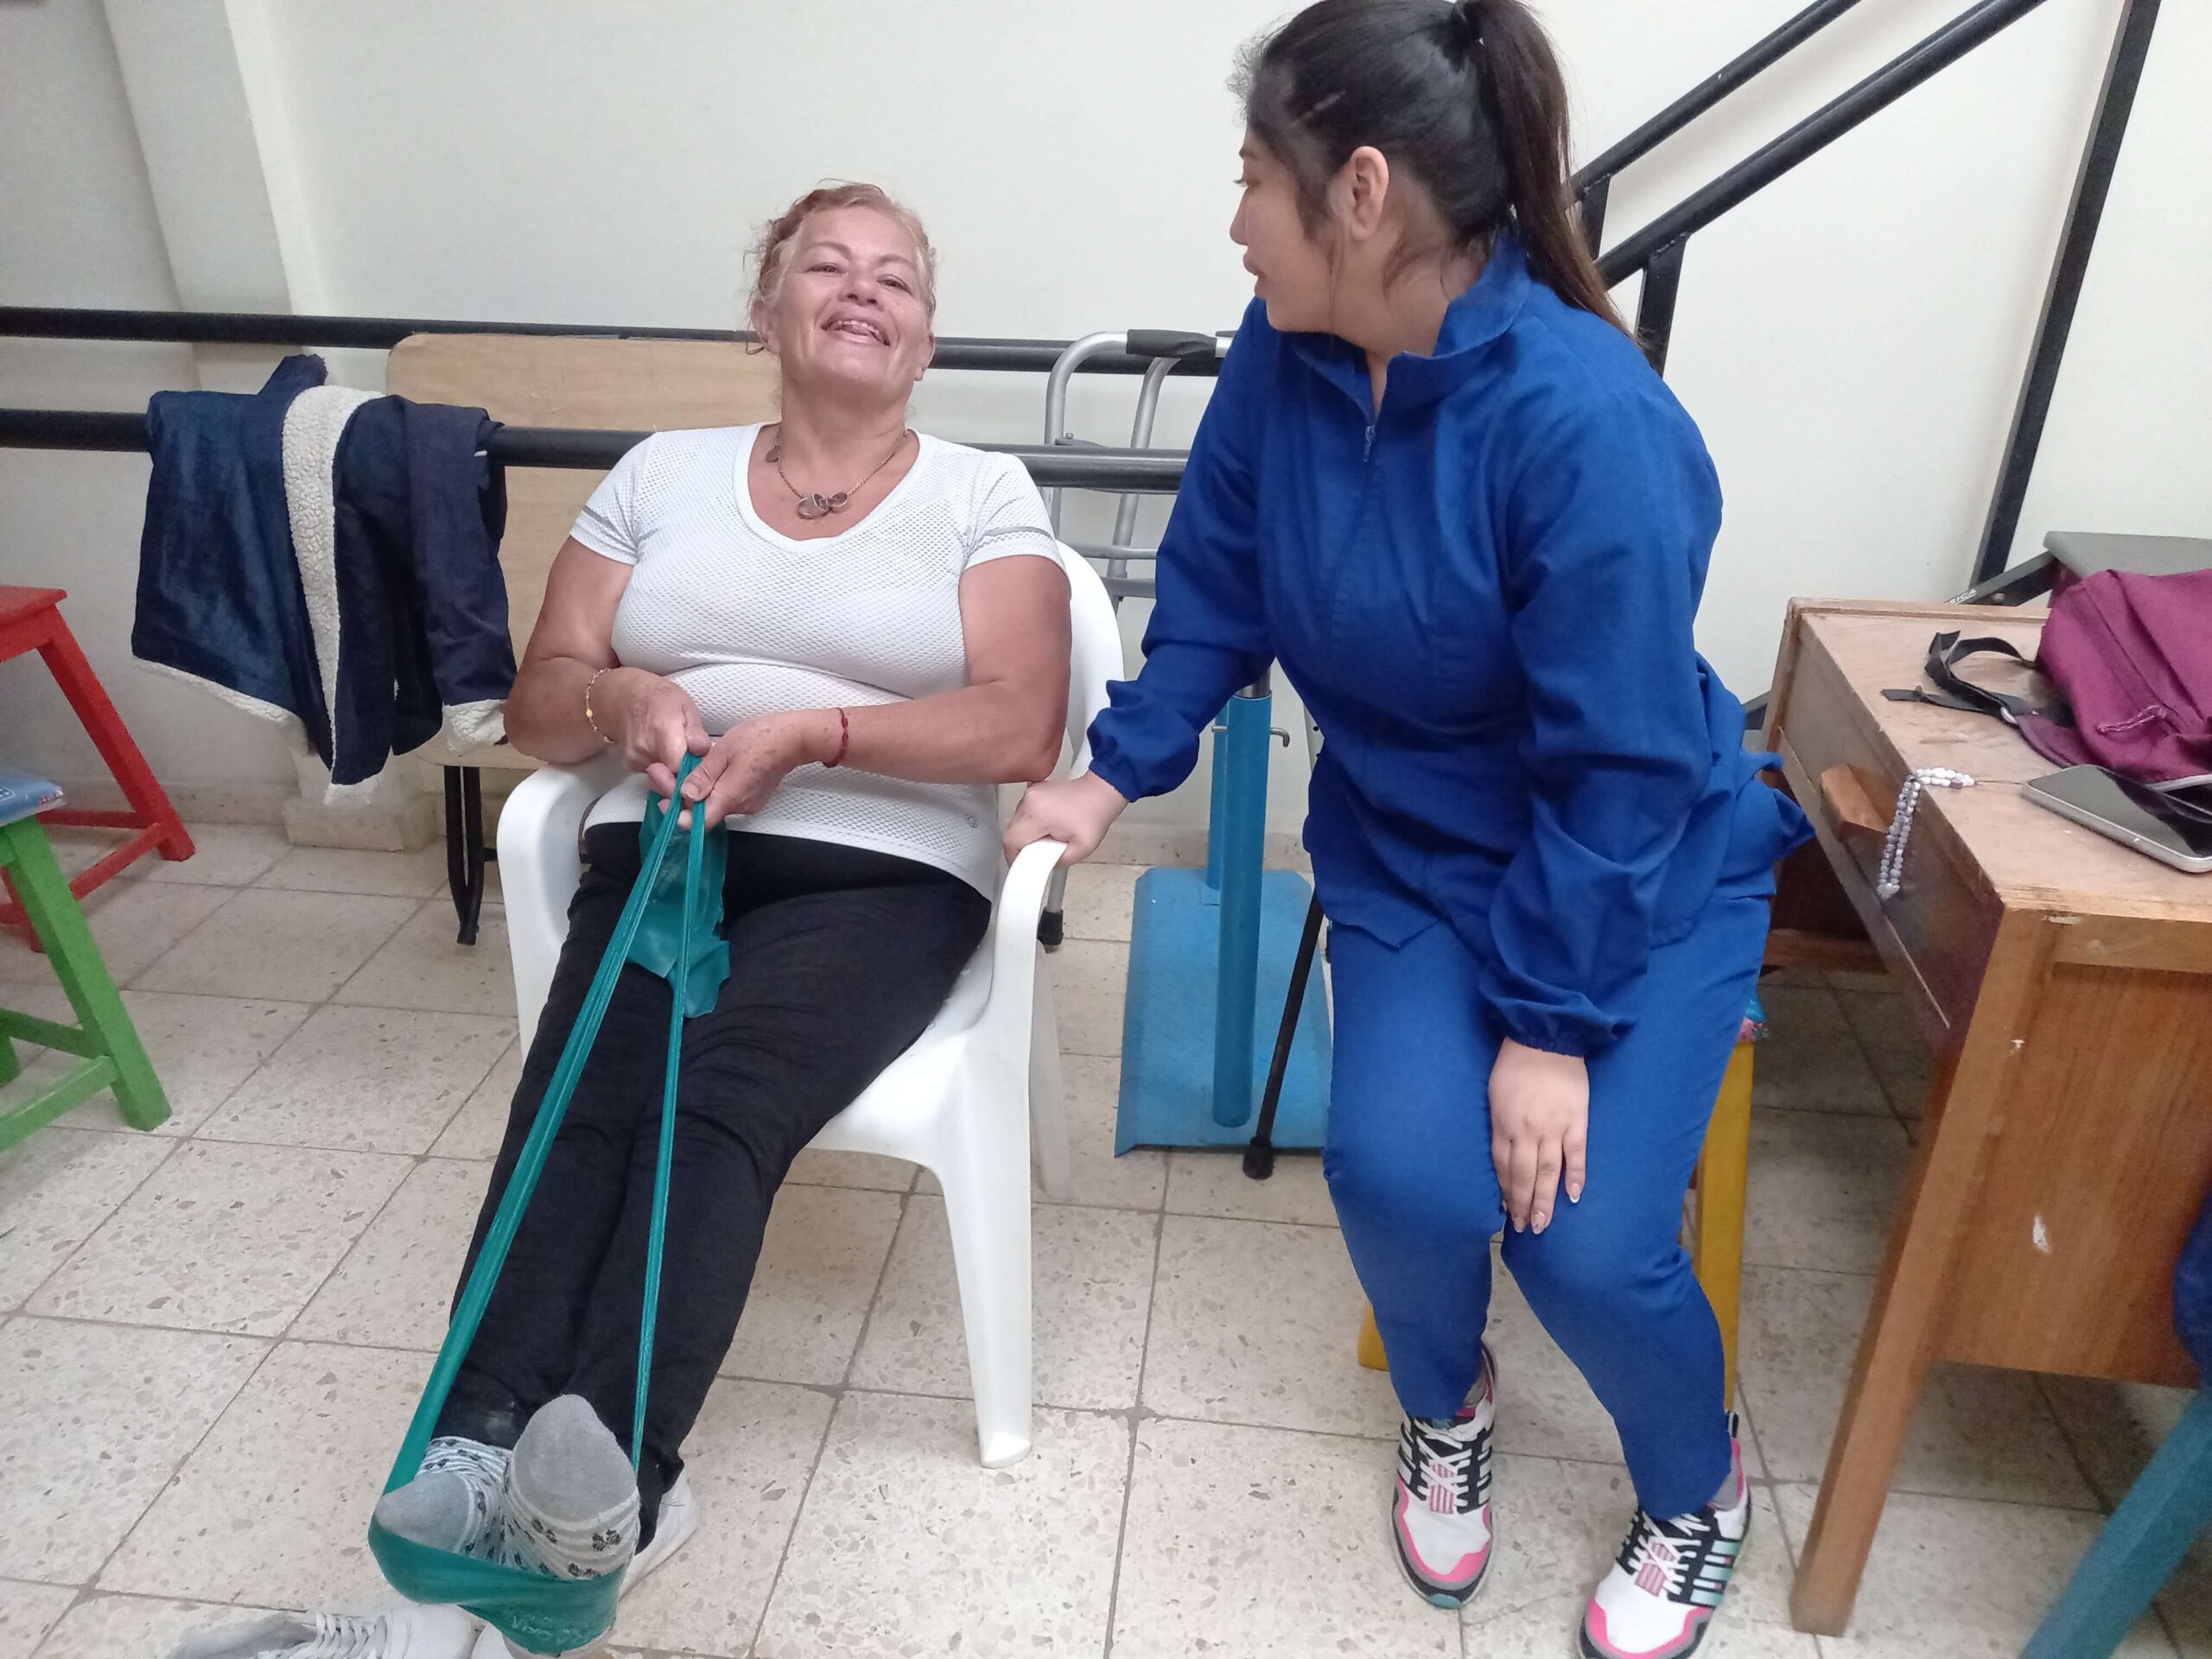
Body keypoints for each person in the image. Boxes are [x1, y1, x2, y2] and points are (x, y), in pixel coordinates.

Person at [1004, 5, 1809, 1656]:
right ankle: (1450, 1407)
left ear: (1361, 193)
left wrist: (1550, 1030)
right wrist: (1114, 769)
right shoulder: (1283, 350)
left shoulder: (1587, 425)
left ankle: (1699, 1483)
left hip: (1629, 873)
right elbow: (1219, 580)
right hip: (1416, 853)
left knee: (1584, 1246)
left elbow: (1620, 769)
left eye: (1257, 179)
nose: (1238, 221)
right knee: (1398, 1176)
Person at [181, 181, 1071, 1659]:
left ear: (925, 341)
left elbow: (1020, 723)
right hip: (663, 845)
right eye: (828, 266)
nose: (864, 291)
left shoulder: (982, 494)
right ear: (766, 312)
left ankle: (609, 1479)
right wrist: (617, 696)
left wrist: (815, 737)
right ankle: (481, 1452)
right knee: (579, 1108)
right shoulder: (662, 472)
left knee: (716, 1107)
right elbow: (538, 700)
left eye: (897, 279)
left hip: (883, 871)